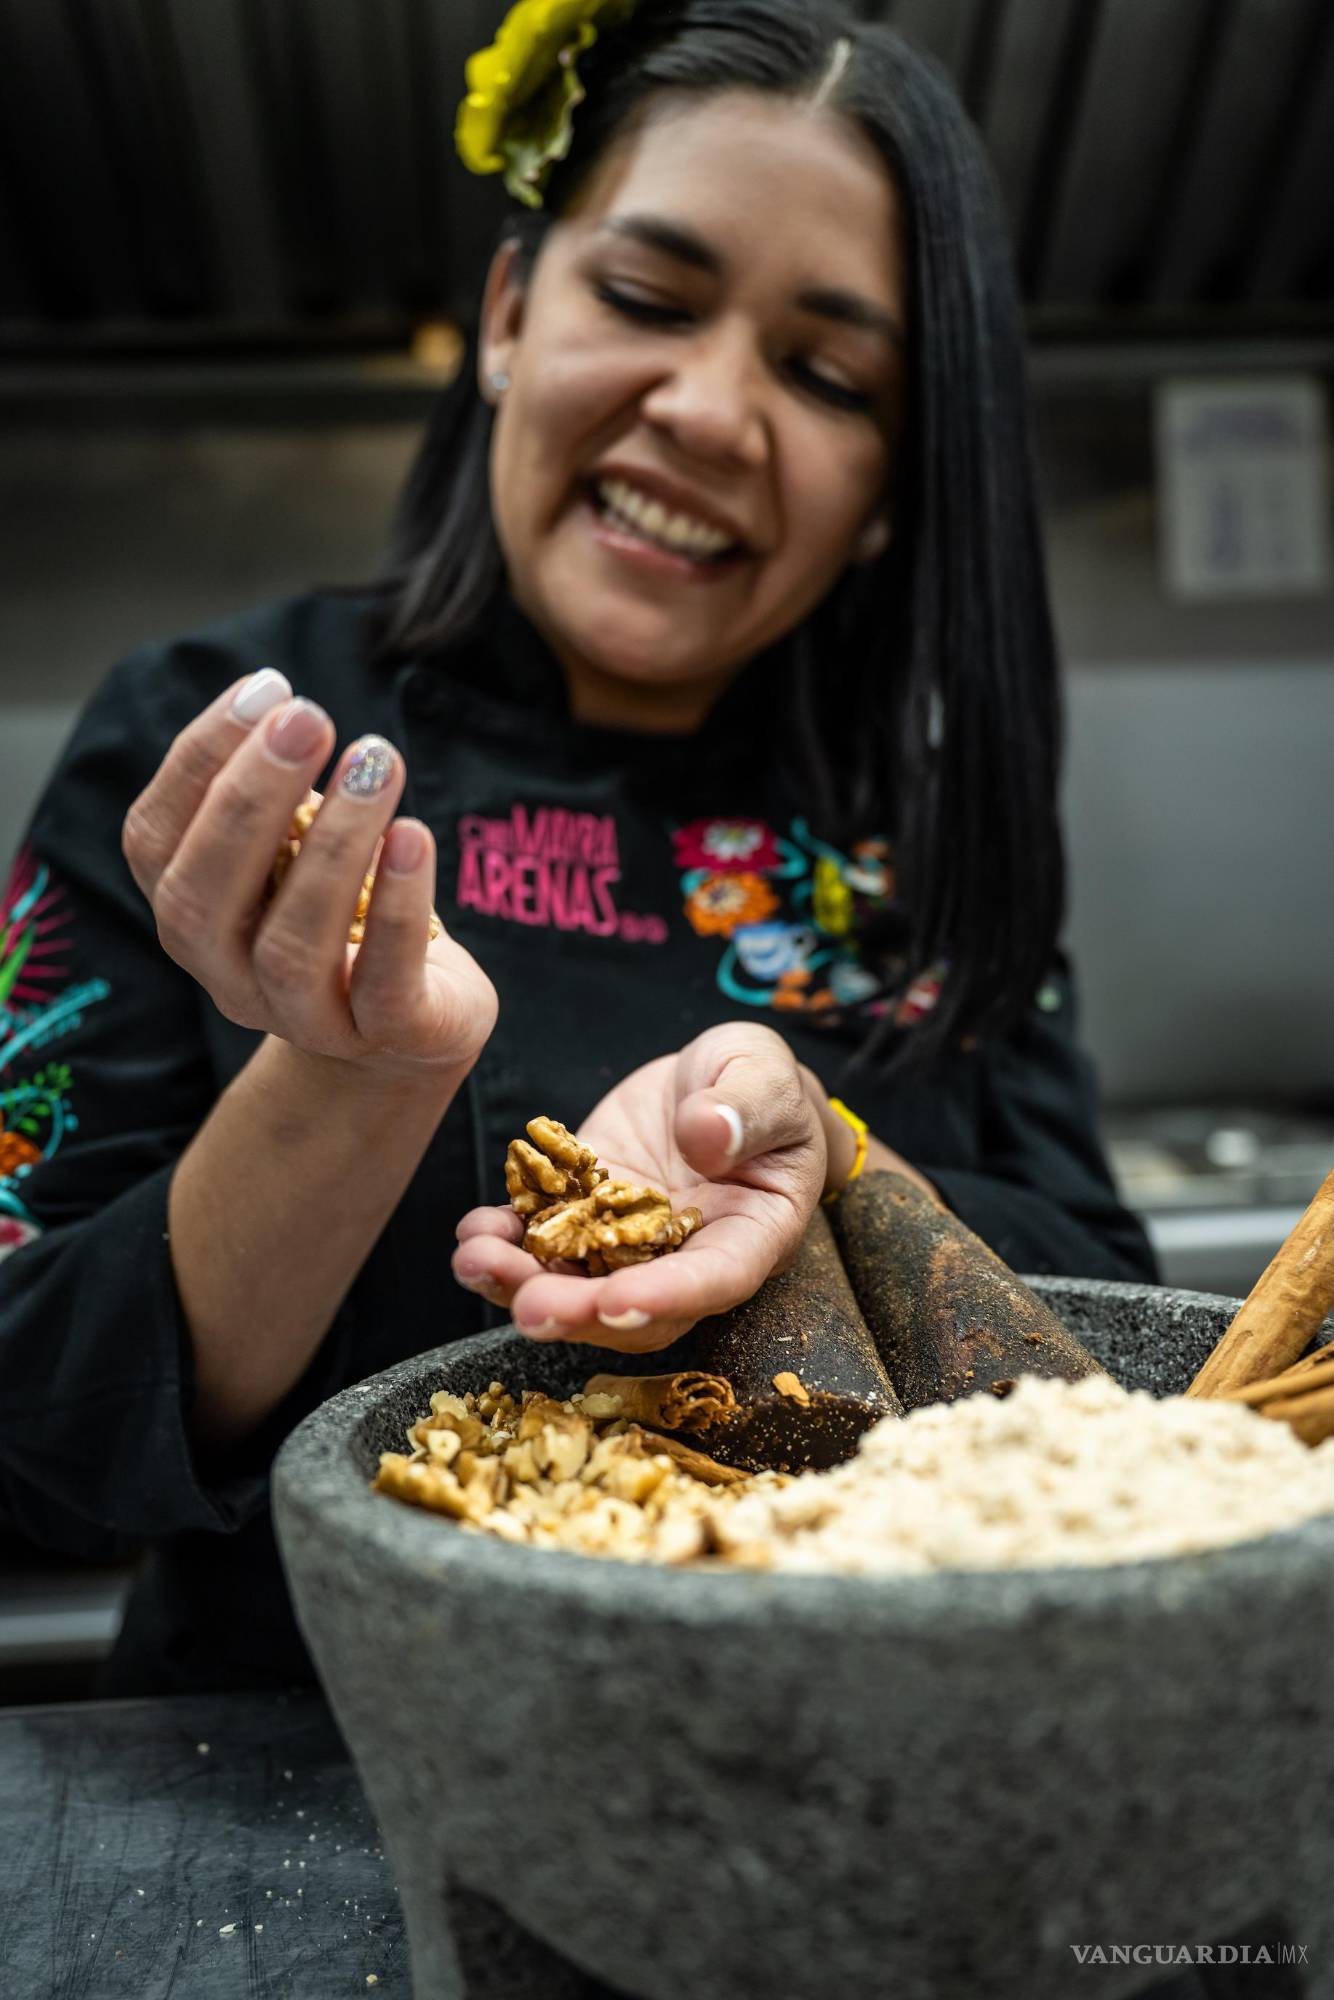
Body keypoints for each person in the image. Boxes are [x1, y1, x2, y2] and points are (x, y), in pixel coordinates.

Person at [0, 0, 1154, 1697]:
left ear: (891, 489)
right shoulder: (228, 741)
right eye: (644, 296)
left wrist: (826, 1164)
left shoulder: (912, 834)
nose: (705, 409)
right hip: (277, 1789)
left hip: (872, 1773)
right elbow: (29, 1438)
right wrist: (347, 1082)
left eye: (826, 374)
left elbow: (1112, 1357)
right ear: (508, 313)